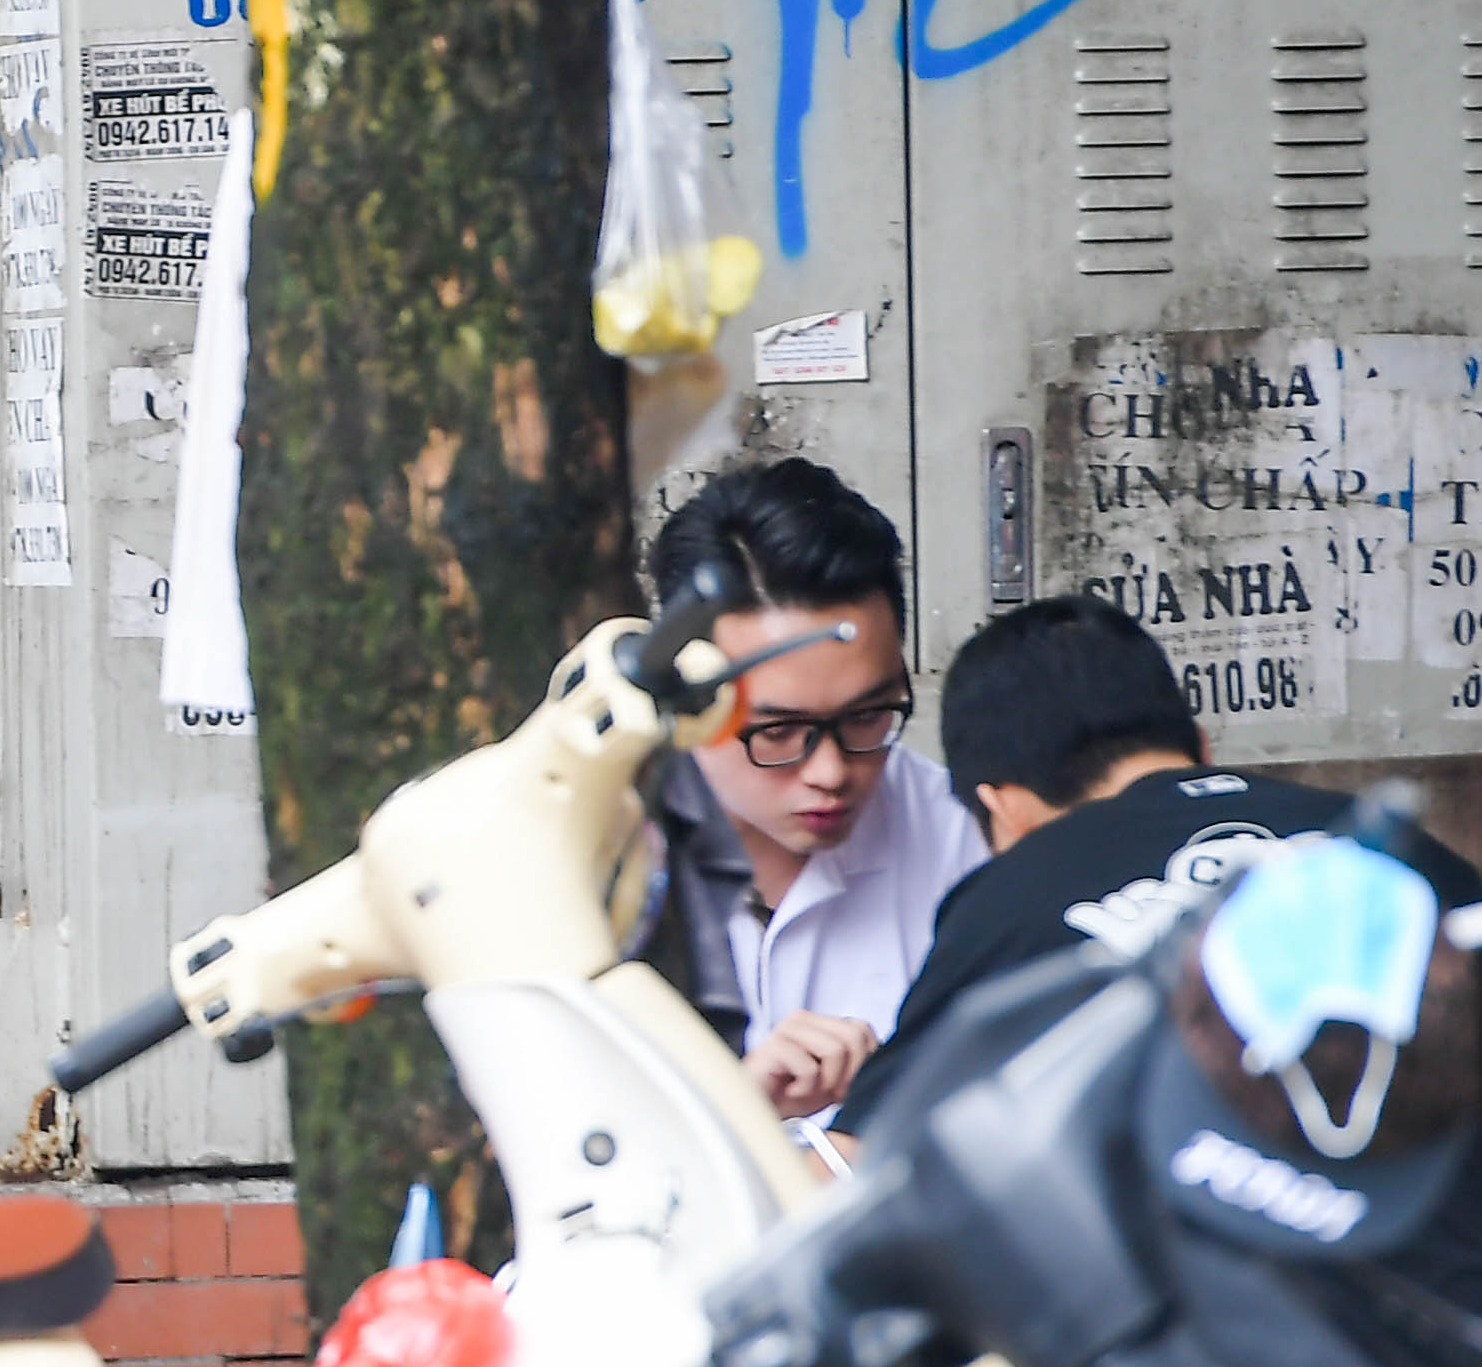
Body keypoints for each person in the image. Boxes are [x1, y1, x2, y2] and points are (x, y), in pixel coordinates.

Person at [836, 594, 1482, 1136]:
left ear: (1001, 808)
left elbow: (852, 1162)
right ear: (1200, 747)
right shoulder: (1399, 850)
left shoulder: (1009, 897)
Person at [629, 459, 983, 1121]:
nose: (829, 771)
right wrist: (732, 1110)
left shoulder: (959, 837)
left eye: (866, 717)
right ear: (690, 701)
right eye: (779, 730)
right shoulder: (600, 859)